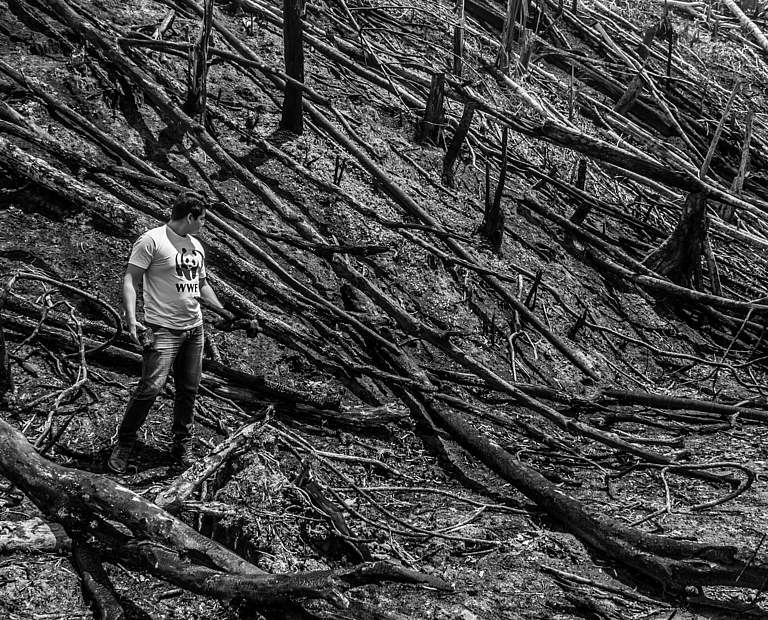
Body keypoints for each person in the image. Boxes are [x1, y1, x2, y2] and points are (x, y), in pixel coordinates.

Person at [108, 193, 231, 474]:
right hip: (163, 329)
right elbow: (131, 278)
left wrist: (224, 313)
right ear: (190, 217)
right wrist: (131, 318)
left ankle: (181, 443)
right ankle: (125, 442)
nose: (203, 225)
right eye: (202, 220)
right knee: (150, 387)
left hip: (194, 329)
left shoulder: (196, 246)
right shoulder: (152, 240)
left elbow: (201, 284)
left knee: (189, 389)